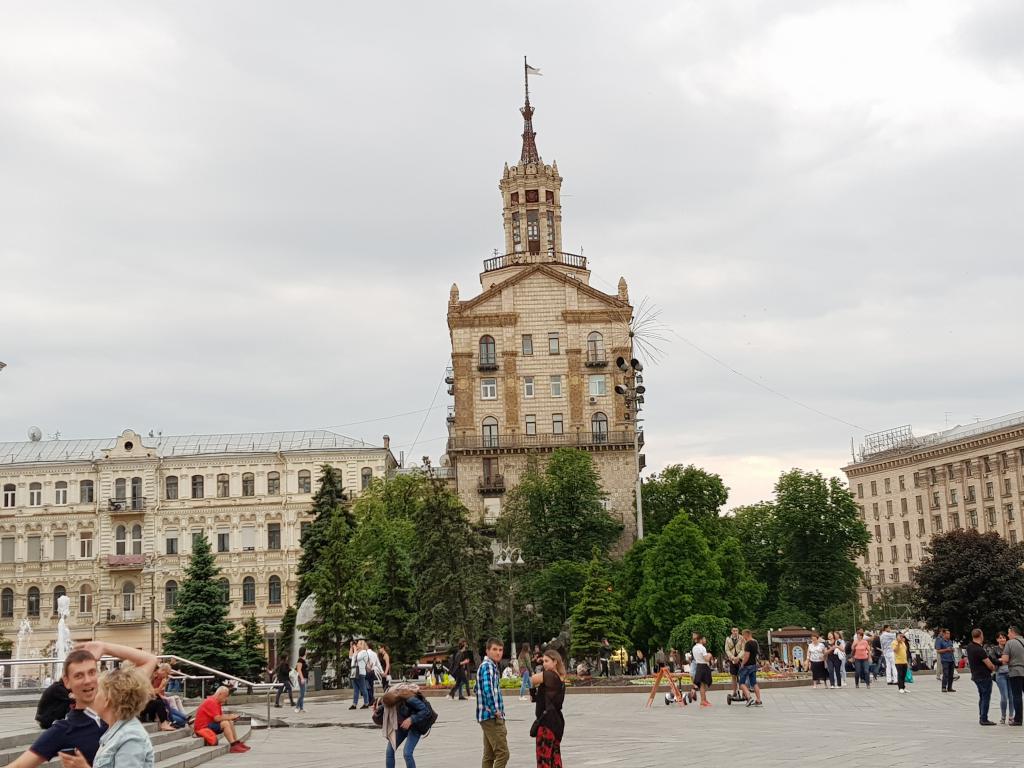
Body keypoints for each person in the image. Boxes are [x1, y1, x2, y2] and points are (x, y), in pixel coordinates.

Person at [9, 641, 158, 768]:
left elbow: (150, 660)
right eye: (79, 675)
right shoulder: (64, 729)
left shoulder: (120, 703)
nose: (87, 680)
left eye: (92, 672)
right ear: (67, 681)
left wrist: (104, 647)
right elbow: (18, 766)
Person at [72, 663, 156, 768]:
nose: (93, 696)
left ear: (108, 699)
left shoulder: (131, 737)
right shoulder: (116, 732)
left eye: (97, 691)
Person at [380, 683, 431, 768]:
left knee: (407, 753)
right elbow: (384, 705)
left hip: (415, 726)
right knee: (389, 751)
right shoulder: (391, 699)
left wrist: (411, 719)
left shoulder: (410, 699)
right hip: (402, 726)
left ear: (396, 702)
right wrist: (377, 709)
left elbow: (425, 711)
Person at [475, 638, 508, 768]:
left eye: (500, 650)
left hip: (486, 716)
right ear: (487, 650)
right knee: (503, 753)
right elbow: (488, 691)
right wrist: (495, 711)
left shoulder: (487, 666)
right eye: (494, 649)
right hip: (492, 717)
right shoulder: (488, 666)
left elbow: (478, 688)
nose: (498, 653)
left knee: (489, 755)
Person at [530, 650, 566, 768]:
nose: (544, 664)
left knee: (543, 759)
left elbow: (531, 680)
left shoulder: (549, 675)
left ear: (555, 662)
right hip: (556, 722)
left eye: (547, 661)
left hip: (546, 723)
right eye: (543, 661)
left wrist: (532, 690)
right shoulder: (560, 678)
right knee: (555, 758)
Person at [193, 686, 249, 752]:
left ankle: (236, 743)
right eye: (225, 696)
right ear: (220, 694)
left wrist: (230, 717)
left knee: (229, 721)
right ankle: (233, 745)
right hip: (203, 727)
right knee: (225, 723)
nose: (226, 699)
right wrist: (230, 716)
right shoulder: (211, 702)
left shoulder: (215, 702)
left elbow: (220, 716)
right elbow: (217, 718)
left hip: (208, 724)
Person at [965, 628, 997, 725]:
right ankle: (984, 718)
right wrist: (993, 668)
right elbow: (989, 664)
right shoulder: (979, 650)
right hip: (984, 676)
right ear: (981, 635)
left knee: (982, 696)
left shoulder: (969, 647)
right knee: (985, 697)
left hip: (975, 675)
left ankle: (981, 716)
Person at [1001, 625, 1024, 726]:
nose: (1008, 635)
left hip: (1015, 672)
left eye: (1008, 633)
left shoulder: (1010, 643)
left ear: (1013, 632)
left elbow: (1005, 660)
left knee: (1017, 696)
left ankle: (1018, 720)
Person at [993, 632, 1014, 725]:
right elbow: (993, 660)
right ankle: (1003, 716)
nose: (1002, 639)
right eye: (1000, 638)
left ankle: (1011, 716)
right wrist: (1002, 660)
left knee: (1012, 697)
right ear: (997, 639)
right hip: (1000, 674)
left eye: (1004, 637)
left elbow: (1013, 659)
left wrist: (1001, 659)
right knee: (1004, 696)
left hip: (1011, 673)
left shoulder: (1010, 647)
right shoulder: (994, 649)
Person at [738, 629, 762, 706]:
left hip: (747, 666)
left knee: (741, 683)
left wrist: (742, 664)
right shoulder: (755, 642)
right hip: (753, 665)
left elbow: (746, 656)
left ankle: (749, 697)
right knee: (754, 683)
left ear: (746, 634)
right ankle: (758, 700)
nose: (743, 637)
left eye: (743, 635)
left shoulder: (748, 643)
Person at [691, 634, 713, 707]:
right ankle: (703, 700)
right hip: (704, 666)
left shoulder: (694, 647)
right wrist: (709, 655)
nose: (705, 640)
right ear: (700, 640)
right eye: (704, 639)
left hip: (699, 666)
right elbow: (706, 659)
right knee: (704, 684)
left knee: (702, 685)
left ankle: (704, 700)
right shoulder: (702, 648)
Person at [935, 628, 956, 692]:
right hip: (945, 660)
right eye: (947, 633)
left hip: (951, 659)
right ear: (944, 634)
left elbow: (951, 649)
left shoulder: (950, 641)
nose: (949, 635)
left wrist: (952, 649)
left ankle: (950, 688)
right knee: (946, 674)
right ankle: (943, 687)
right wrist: (947, 649)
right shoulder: (940, 641)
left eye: (949, 633)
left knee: (951, 675)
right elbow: (938, 651)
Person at [724, 627, 743, 697]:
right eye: (734, 631)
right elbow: (727, 649)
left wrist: (738, 657)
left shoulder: (741, 638)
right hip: (732, 659)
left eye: (736, 630)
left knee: (742, 675)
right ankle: (734, 691)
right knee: (733, 676)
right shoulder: (728, 638)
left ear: (738, 631)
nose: (735, 632)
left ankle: (744, 692)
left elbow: (743, 649)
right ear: (731, 631)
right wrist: (732, 657)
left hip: (740, 659)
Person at [295, 646, 310, 713]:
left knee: (303, 693)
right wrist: (302, 678)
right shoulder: (300, 660)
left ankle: (301, 708)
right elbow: (299, 669)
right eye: (306, 650)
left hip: (304, 678)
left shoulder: (303, 660)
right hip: (302, 678)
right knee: (302, 693)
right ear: (303, 651)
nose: (307, 651)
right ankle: (297, 707)